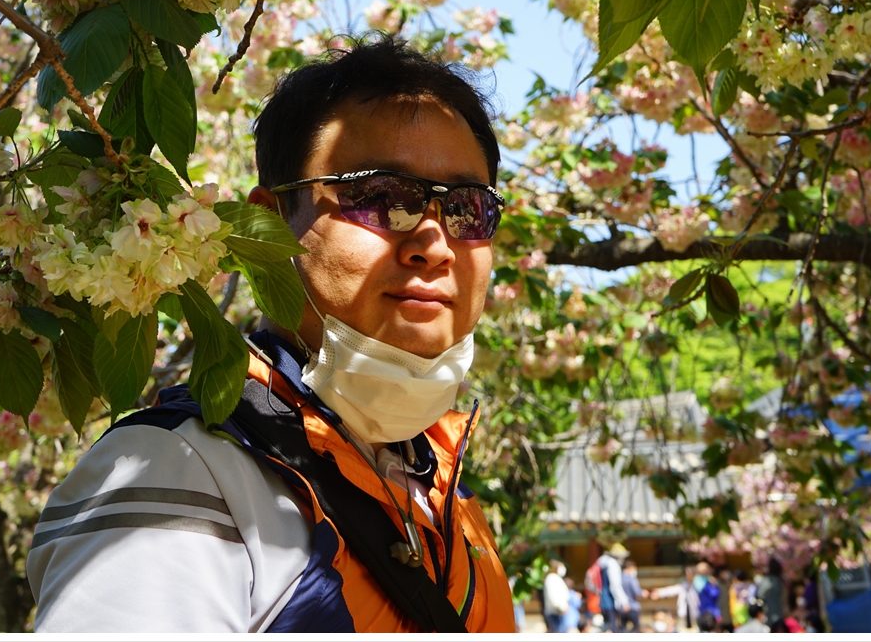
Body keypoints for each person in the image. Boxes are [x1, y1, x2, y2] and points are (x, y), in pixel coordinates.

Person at [26, 38, 516, 631]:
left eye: (467, 208)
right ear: (270, 222)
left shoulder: (443, 489)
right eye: (380, 196)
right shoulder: (180, 471)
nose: (435, 245)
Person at [595, 543, 633, 632]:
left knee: (608, 627)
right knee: (611, 628)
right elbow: (615, 585)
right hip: (609, 601)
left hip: (603, 600)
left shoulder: (605, 563)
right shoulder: (613, 565)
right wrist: (623, 601)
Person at [651, 566, 700, 632]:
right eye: (687, 573)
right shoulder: (684, 585)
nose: (688, 575)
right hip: (683, 614)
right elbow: (672, 590)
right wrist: (660, 592)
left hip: (695, 614)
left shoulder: (699, 586)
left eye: (690, 573)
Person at [754, 557, 786, 629]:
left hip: (770, 614)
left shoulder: (768, 580)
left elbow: (760, 594)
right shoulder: (780, 581)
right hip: (780, 612)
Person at [618, 558, 648, 632]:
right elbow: (637, 592)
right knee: (637, 629)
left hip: (622, 607)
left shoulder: (618, 578)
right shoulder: (631, 579)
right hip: (632, 606)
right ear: (629, 568)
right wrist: (644, 593)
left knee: (622, 629)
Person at [544, 560, 572, 633]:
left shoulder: (554, 578)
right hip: (555, 612)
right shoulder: (551, 578)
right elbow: (553, 596)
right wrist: (562, 607)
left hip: (558, 612)